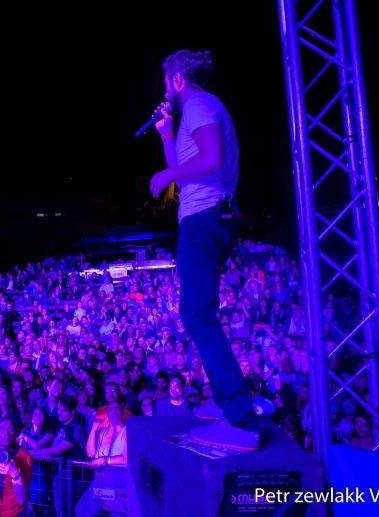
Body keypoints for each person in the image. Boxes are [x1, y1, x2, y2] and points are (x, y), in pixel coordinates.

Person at [148, 49, 269, 449]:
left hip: (205, 218)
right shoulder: (194, 115)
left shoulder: (199, 105)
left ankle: (238, 415)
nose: (165, 88)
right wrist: (167, 136)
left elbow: (212, 159)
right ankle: (231, 405)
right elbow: (187, 175)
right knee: (199, 314)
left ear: (178, 80)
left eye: (167, 80)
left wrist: (166, 173)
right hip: (205, 214)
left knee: (197, 314)